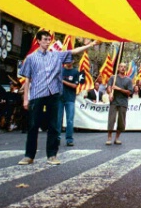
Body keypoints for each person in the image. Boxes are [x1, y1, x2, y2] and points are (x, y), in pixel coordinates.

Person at [18, 31, 97, 166]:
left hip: (54, 94)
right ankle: (29, 156)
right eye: (45, 39)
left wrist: (92, 44)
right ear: (38, 41)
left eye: (49, 39)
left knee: (54, 125)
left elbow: (74, 51)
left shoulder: (56, 55)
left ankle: (52, 155)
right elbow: (27, 80)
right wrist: (26, 99)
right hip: (37, 95)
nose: (48, 42)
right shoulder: (31, 58)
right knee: (33, 126)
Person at [106, 62, 134, 146]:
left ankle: (117, 138)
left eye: (124, 67)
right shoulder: (113, 78)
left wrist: (119, 89)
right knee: (111, 119)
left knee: (121, 121)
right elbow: (109, 87)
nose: (122, 68)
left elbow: (129, 92)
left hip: (123, 102)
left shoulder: (128, 80)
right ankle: (109, 137)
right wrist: (110, 93)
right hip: (114, 101)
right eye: (121, 67)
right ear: (118, 68)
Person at [59, 61, 83, 146]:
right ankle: (57, 138)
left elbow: (75, 86)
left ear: (73, 61)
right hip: (59, 98)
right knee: (58, 120)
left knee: (69, 120)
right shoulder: (60, 70)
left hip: (70, 99)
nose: (68, 62)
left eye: (70, 60)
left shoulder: (75, 72)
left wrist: (63, 81)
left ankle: (69, 139)